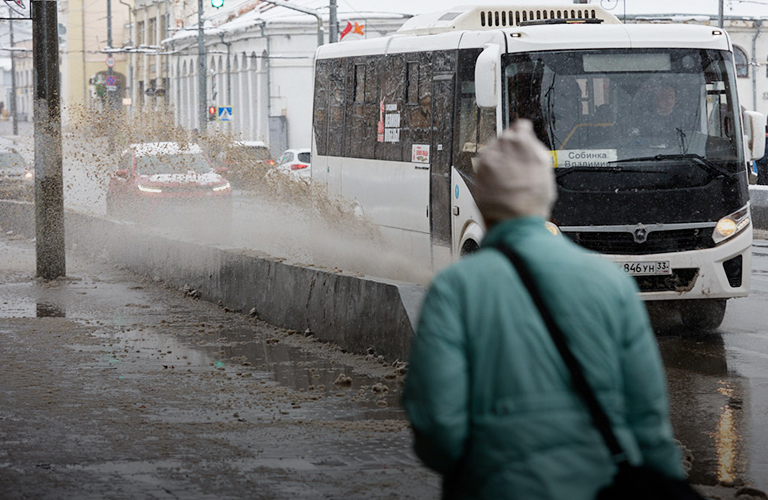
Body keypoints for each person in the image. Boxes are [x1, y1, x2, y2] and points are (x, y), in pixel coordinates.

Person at [402, 120, 685, 500]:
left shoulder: (455, 290)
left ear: (484, 203)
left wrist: (483, 468)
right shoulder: (611, 284)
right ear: (547, 196)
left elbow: (436, 424)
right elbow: (648, 420)